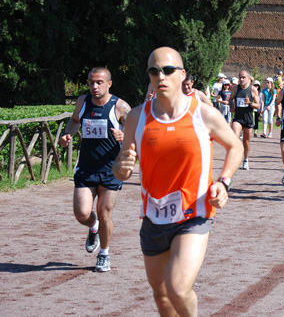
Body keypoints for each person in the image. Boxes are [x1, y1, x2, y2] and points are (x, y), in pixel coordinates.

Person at [112, 47, 243, 316]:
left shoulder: (202, 114)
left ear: (182, 74)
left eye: (168, 70)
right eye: (154, 70)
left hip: (194, 213)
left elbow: (235, 146)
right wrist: (122, 167)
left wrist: (224, 182)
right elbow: (122, 170)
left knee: (178, 289)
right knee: (161, 296)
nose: (161, 75)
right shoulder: (137, 117)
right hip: (153, 218)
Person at [59, 67, 131, 272]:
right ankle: (93, 227)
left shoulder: (120, 107)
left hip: (111, 168)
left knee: (104, 212)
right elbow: (74, 121)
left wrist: (124, 136)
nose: (94, 86)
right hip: (87, 167)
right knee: (82, 213)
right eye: (91, 82)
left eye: (99, 82)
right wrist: (67, 135)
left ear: (109, 83)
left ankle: (104, 254)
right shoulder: (82, 102)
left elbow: (136, 130)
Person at [230, 70, 261, 170]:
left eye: (243, 77)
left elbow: (258, 106)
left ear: (248, 78)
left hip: (248, 119)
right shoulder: (235, 89)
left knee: (246, 141)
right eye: (240, 77)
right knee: (235, 137)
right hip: (238, 118)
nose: (241, 79)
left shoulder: (253, 90)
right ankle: (234, 159)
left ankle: (246, 160)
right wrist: (232, 106)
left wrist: (250, 103)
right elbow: (231, 98)